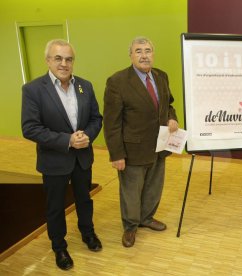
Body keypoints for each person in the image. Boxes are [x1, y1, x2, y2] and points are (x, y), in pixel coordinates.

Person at [21, 39, 103, 270]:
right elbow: (30, 128)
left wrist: (87, 135)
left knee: (84, 200)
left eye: (68, 59)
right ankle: (59, 246)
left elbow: (97, 118)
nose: (64, 63)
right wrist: (67, 140)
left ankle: (88, 233)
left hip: (82, 157)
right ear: (48, 60)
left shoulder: (85, 86)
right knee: (55, 206)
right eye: (58, 58)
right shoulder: (33, 90)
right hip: (54, 160)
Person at [103, 36, 178, 248]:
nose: (144, 55)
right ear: (131, 55)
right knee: (131, 191)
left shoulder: (161, 76)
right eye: (138, 51)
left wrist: (172, 118)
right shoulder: (117, 82)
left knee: (154, 187)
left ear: (153, 54)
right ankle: (130, 226)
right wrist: (116, 154)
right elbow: (111, 123)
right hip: (132, 149)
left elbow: (168, 104)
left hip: (159, 146)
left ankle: (146, 218)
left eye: (148, 50)